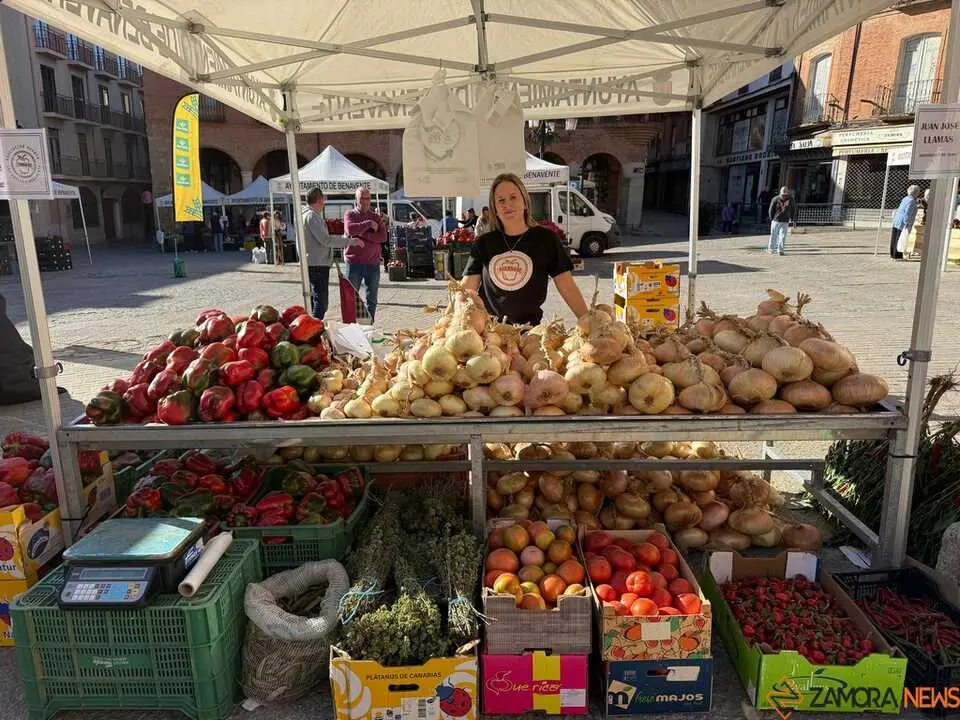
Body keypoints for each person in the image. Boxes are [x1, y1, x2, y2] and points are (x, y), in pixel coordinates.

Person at [462, 173, 588, 326]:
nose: (507, 204)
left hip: (529, 334)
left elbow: (567, 287)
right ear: (494, 209)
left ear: (525, 202)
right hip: (489, 334)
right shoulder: (483, 243)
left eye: (513, 197)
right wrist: (448, 323)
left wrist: (587, 320)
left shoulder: (546, 239)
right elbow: (466, 290)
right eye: (501, 200)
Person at [303, 188, 355, 319]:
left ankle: (312, 327)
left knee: (315, 300)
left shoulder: (307, 215)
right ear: (320, 200)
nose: (324, 204)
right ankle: (314, 329)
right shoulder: (312, 216)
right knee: (321, 302)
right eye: (323, 201)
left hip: (314, 262)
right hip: (317, 263)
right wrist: (350, 241)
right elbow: (326, 240)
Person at [344, 186, 387, 321]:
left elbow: (383, 237)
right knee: (351, 297)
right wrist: (368, 224)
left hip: (373, 263)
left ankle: (369, 324)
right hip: (354, 263)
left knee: (372, 298)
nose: (365, 201)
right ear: (356, 199)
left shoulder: (376, 216)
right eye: (362, 198)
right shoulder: (350, 214)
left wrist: (362, 234)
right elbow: (350, 229)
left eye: (368, 198)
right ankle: (352, 325)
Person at [890, 185, 921, 261]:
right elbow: (907, 212)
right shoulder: (911, 201)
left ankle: (892, 255)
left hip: (897, 219)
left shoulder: (905, 198)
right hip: (903, 221)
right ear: (915, 192)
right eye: (918, 191)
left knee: (894, 237)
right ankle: (897, 256)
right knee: (900, 238)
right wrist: (906, 222)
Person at [767, 186, 795, 255]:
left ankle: (771, 249)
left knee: (774, 235)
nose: (784, 196)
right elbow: (793, 210)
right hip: (785, 220)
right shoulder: (790, 199)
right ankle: (780, 250)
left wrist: (771, 218)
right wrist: (793, 218)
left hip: (776, 220)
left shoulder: (776, 199)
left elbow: (771, 210)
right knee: (782, 236)